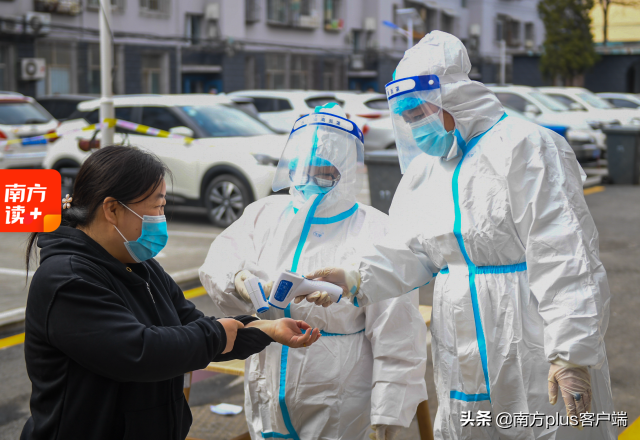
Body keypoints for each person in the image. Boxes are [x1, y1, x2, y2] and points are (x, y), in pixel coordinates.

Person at [305, 32, 614, 439]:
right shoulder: (427, 171)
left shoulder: (526, 146)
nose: (416, 127)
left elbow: (565, 254)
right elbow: (412, 251)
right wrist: (353, 277)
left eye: (420, 113)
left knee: (546, 425)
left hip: (529, 332)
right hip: (459, 334)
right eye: (408, 118)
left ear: (454, 97)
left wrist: (571, 354)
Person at [21, 146, 320, 440]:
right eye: (158, 206)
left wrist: (266, 329)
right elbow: (139, 353)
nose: (162, 218)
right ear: (112, 209)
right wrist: (215, 333)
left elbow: (192, 326)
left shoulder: (141, 266)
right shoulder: (67, 280)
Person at [199, 104, 428, 440]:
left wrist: (388, 412)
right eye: (301, 168)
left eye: (324, 172)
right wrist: (238, 281)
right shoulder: (265, 214)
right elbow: (219, 259)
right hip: (265, 384)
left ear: (347, 172)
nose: (309, 180)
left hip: (339, 396)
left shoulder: (375, 230)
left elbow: (398, 335)